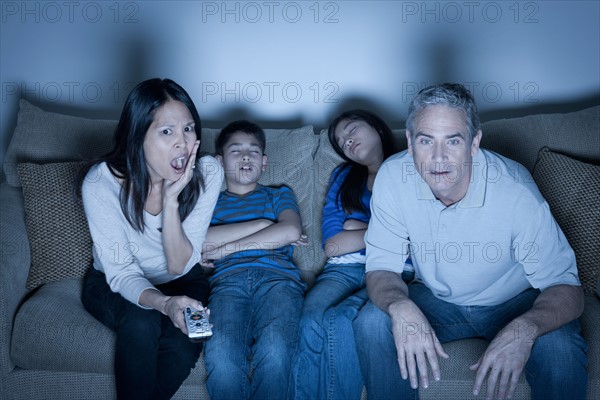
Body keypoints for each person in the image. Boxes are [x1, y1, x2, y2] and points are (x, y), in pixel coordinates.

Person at [353, 83, 588, 400]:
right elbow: (381, 266)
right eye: (426, 141)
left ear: (474, 143)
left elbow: (569, 290)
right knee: (372, 320)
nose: (439, 158)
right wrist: (399, 304)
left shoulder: (515, 192)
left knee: (559, 343)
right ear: (410, 143)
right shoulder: (394, 177)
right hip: (440, 302)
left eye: (453, 141)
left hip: (515, 303)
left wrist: (525, 328)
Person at [77, 78, 223, 400]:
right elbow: (122, 272)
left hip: (183, 279)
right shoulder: (102, 185)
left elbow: (180, 264)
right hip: (112, 282)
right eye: (167, 132)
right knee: (142, 323)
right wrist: (164, 304)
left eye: (188, 129)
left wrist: (171, 201)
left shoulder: (208, 172)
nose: (182, 144)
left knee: (184, 342)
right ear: (137, 136)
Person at [289, 110, 413, 400]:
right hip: (343, 270)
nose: (347, 142)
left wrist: (354, 227)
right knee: (309, 320)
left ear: (377, 127)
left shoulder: (409, 166)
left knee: (341, 321)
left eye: (352, 130)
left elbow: (418, 236)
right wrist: (387, 232)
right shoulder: (343, 176)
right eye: (342, 142)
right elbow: (332, 245)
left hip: (395, 270)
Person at [201, 120, 306, 400]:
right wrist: (263, 226)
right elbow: (200, 242)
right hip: (227, 283)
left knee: (275, 350)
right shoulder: (209, 202)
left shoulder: (278, 193)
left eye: (253, 151)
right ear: (220, 162)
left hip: (279, 280)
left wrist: (226, 248)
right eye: (236, 151)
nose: (246, 156)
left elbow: (291, 230)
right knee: (222, 355)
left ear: (264, 163)